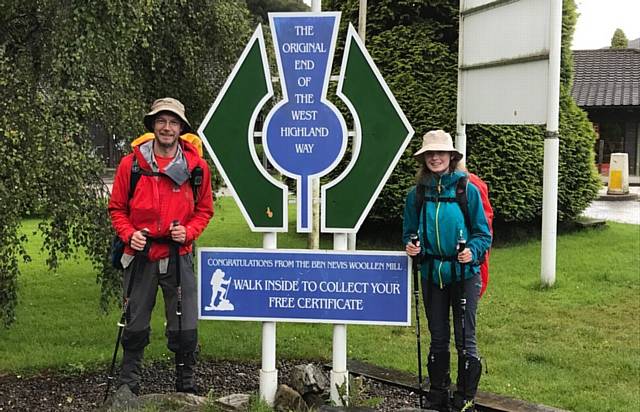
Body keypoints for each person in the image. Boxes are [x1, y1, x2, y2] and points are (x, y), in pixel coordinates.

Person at [108, 97, 214, 394]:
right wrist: (129, 234)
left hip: (178, 254)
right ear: (153, 125)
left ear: (181, 128)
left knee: (185, 321)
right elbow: (116, 208)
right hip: (140, 253)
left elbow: (205, 209)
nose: (167, 128)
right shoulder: (131, 166)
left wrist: (189, 232)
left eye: (173, 122)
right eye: (161, 121)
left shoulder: (197, 167)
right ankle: (129, 384)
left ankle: (185, 382)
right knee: (135, 319)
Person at [403, 130, 491, 412]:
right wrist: (411, 245)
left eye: (441, 153)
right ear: (424, 158)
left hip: (464, 274)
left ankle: (465, 398)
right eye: (430, 153)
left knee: (465, 338)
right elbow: (408, 232)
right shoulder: (417, 194)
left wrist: (472, 251)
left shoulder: (467, 190)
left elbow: (483, 234)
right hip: (431, 273)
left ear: (452, 157)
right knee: (437, 335)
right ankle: (438, 394)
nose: (436, 157)